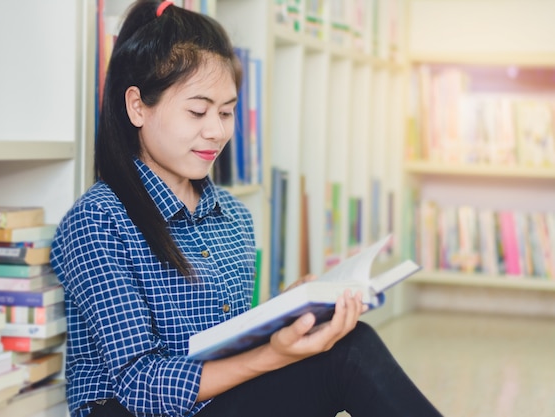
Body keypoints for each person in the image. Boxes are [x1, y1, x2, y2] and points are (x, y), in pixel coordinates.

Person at [50, 1, 443, 416]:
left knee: (346, 342)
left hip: (219, 405)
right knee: (349, 354)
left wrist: (285, 315)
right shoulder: (97, 221)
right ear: (137, 106)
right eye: (197, 111)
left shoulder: (233, 216)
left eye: (227, 111)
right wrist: (275, 354)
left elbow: (225, 343)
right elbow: (141, 387)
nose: (216, 131)